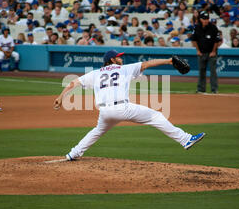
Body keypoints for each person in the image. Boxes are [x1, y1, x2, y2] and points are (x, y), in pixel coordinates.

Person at [53, 50, 206, 161]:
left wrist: (61, 97)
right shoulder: (124, 69)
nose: (121, 59)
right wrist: (169, 61)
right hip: (122, 108)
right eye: (118, 57)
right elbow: (147, 64)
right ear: (111, 60)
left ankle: (73, 154)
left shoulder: (95, 73)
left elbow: (73, 82)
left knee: (97, 131)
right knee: (156, 116)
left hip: (105, 111)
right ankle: (185, 139)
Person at [191, 11, 220, 94]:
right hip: (201, 52)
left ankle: (214, 89)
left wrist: (213, 51)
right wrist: (198, 51)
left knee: (213, 71)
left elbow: (216, 41)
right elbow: (194, 40)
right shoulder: (196, 27)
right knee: (201, 71)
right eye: (204, 19)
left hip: (211, 53)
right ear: (200, 19)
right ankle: (201, 89)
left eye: (207, 19)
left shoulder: (213, 27)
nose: (206, 20)